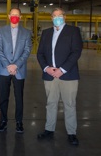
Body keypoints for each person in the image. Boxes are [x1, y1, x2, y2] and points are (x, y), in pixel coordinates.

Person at [37, 8, 82, 145]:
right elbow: (40, 54)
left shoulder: (73, 31)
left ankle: (71, 133)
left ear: (64, 17)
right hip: (50, 75)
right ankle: (49, 130)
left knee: (69, 104)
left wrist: (62, 70)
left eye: (59, 15)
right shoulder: (46, 33)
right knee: (50, 103)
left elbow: (76, 52)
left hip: (68, 75)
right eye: (54, 16)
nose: (57, 18)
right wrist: (47, 68)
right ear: (51, 18)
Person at [0, 8, 32, 133]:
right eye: (13, 14)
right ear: (9, 15)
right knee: (3, 97)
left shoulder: (26, 33)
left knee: (19, 97)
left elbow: (27, 51)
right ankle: (3, 121)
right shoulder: (1, 31)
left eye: (17, 15)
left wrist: (16, 65)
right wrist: (8, 65)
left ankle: (19, 122)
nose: (15, 16)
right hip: (4, 69)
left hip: (19, 70)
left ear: (20, 17)